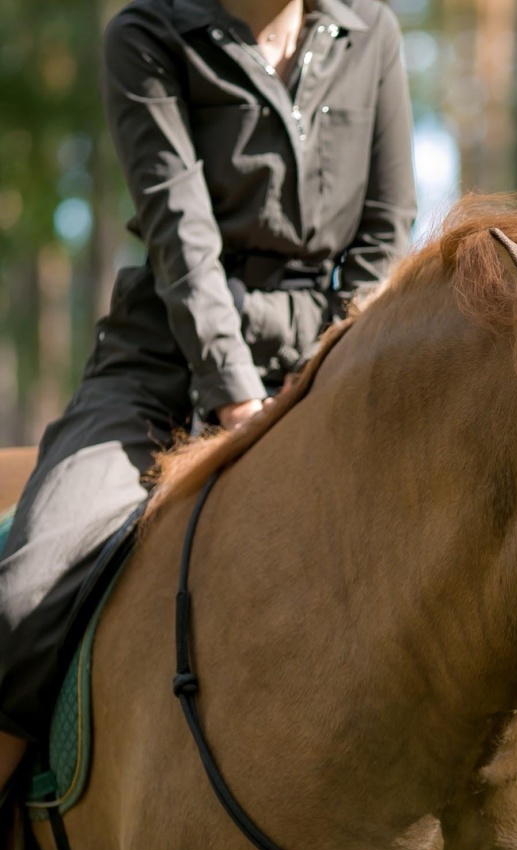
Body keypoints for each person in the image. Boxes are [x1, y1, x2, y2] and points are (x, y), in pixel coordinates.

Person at [0, 0, 416, 787]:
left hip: (328, 357)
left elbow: (386, 231)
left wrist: (330, 370)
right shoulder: (147, 35)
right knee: (21, 601)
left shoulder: (375, 33)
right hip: (160, 361)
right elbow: (180, 238)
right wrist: (239, 401)